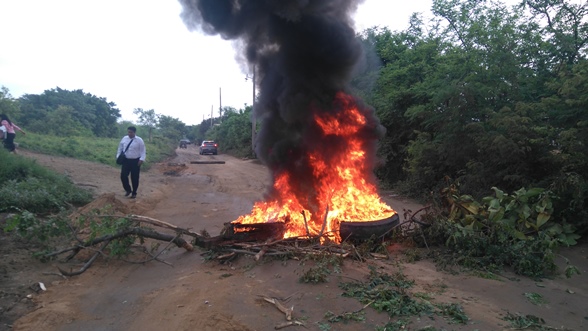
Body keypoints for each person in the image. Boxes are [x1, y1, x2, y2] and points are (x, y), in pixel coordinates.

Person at [116, 126, 146, 199]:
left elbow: (143, 151)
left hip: (136, 161)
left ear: (134, 132)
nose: (129, 133)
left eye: (131, 132)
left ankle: (134, 192)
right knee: (123, 176)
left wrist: (141, 159)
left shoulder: (139, 140)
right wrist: (118, 156)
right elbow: (120, 148)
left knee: (134, 177)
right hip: (126, 160)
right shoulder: (124, 139)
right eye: (128, 132)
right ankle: (128, 190)